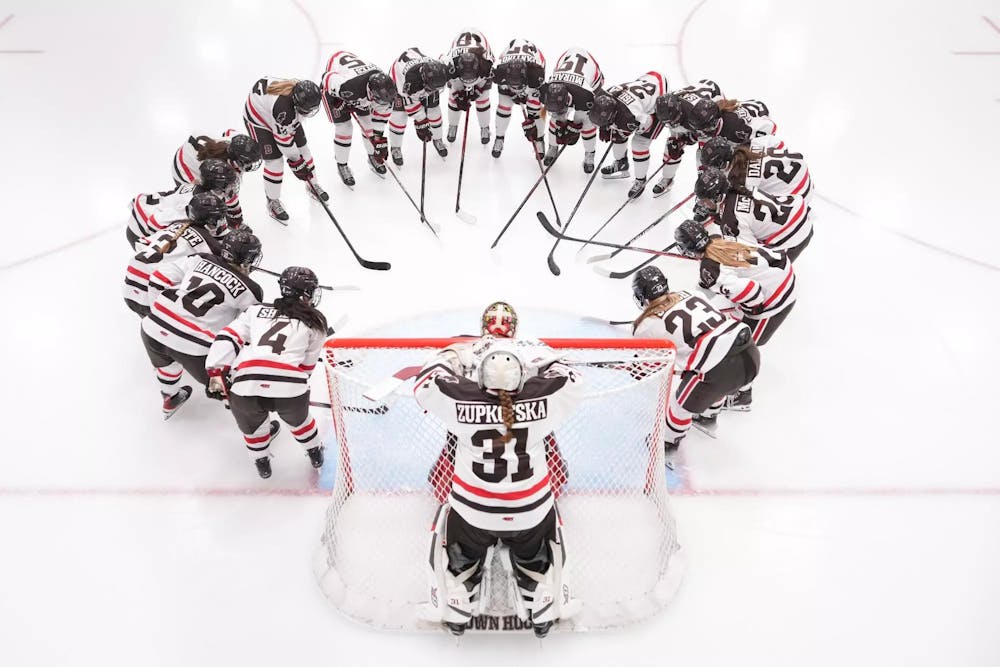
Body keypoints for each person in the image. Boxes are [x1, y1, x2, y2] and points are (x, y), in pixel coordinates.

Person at [415, 338, 584, 638]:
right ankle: (537, 593)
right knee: (536, 541)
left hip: (473, 514)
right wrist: (540, 358)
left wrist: (452, 355)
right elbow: (572, 378)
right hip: (530, 512)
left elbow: (425, 382)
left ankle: (461, 593)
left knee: (460, 540)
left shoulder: (461, 398)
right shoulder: (542, 397)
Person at [426, 303, 570, 504]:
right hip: (525, 416)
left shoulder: (465, 348)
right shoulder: (532, 347)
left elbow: (436, 375)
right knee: (540, 434)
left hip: (472, 416)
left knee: (458, 438)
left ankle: (450, 490)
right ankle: (547, 488)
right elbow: (561, 376)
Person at [205, 266, 327, 479]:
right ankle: (314, 452)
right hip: (290, 389)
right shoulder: (315, 322)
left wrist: (217, 373)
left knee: (253, 429)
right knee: (301, 422)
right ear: (306, 294)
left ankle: (262, 463)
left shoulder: (254, 311)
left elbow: (227, 337)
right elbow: (306, 368)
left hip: (245, 387)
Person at [139, 229, 264, 419]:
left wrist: (160, 313)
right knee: (228, 386)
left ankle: (170, 397)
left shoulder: (200, 258)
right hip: (193, 348)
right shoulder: (252, 290)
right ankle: (256, 427)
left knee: (166, 364)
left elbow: (159, 278)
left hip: (151, 329)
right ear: (247, 260)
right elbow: (245, 332)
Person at [673, 219, 798, 409]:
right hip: (782, 274)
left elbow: (753, 293)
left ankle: (743, 395)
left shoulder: (712, 270)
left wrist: (748, 309)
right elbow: (717, 279)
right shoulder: (718, 239)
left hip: (777, 297)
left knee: (739, 347)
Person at [631, 266, 760, 449]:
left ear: (641, 296)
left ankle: (667, 446)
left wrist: (635, 368)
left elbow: (649, 370)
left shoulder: (645, 327)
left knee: (680, 404)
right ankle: (708, 417)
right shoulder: (690, 293)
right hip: (750, 354)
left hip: (719, 371)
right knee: (705, 368)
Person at [123, 192, 229, 317]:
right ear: (210, 221)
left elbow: (140, 244)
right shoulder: (209, 245)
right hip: (152, 289)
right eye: (220, 217)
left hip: (129, 285)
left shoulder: (176, 225)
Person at [243, 77, 326, 223]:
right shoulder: (283, 108)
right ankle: (272, 201)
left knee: (304, 149)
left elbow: (295, 143)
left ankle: (313, 184)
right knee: (275, 161)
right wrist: (296, 162)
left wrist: (300, 162)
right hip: (258, 119)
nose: (309, 112)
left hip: (276, 111)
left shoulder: (298, 94)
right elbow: (284, 143)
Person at [694, 166, 812, 261]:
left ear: (718, 197)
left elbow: (749, 254)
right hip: (797, 210)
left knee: (749, 268)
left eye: (705, 201)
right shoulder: (740, 185)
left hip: (794, 236)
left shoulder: (730, 221)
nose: (704, 205)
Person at [320, 50, 397, 185]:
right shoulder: (347, 86)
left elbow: (379, 121)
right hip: (336, 85)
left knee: (368, 125)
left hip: (358, 90)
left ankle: (372, 156)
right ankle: (342, 165)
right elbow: (326, 77)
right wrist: (338, 98)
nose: (382, 105)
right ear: (372, 92)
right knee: (345, 128)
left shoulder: (386, 89)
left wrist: (377, 142)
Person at [589, 71, 668, 199]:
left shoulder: (632, 114)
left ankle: (640, 181)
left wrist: (626, 128)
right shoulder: (604, 96)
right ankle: (621, 163)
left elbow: (647, 123)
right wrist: (608, 126)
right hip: (646, 79)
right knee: (616, 132)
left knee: (639, 144)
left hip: (658, 98)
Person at [126, 159, 238, 248]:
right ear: (217, 186)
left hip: (146, 210)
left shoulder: (197, 190)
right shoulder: (193, 203)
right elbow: (154, 222)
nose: (232, 187)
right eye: (228, 184)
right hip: (141, 230)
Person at [649, 79, 723, 197]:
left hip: (711, 101)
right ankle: (667, 179)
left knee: (705, 155)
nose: (672, 124)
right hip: (691, 106)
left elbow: (704, 135)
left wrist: (688, 139)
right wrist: (676, 141)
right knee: (671, 148)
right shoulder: (669, 108)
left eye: (673, 120)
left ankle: (706, 186)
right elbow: (675, 129)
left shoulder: (698, 113)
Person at [170, 131, 261, 228]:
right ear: (235, 160)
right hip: (184, 167)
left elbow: (228, 132)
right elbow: (230, 195)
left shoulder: (232, 141)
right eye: (247, 163)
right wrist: (237, 221)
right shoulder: (219, 168)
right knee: (204, 203)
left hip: (190, 152)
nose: (251, 165)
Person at [539, 47, 605, 172]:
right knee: (555, 119)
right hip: (566, 62)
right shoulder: (547, 89)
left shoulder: (585, 96)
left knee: (586, 123)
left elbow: (585, 118)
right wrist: (560, 122)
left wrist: (575, 126)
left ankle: (589, 154)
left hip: (590, 78)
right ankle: (553, 147)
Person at [699, 135, 812, 204]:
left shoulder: (738, 181)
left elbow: (752, 207)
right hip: (801, 168)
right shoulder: (748, 146)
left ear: (722, 164)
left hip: (800, 195)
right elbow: (778, 143)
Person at [386, 48, 449, 164]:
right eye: (431, 89)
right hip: (399, 81)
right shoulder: (410, 82)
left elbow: (447, 59)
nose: (432, 91)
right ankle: (395, 147)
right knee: (399, 116)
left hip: (423, 75)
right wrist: (421, 122)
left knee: (434, 110)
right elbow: (410, 105)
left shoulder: (441, 70)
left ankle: (438, 138)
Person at [491, 38, 546, 159]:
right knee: (503, 106)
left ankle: (540, 138)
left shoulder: (536, 75)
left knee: (535, 110)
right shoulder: (499, 73)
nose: (516, 88)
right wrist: (513, 94)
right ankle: (499, 137)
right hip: (512, 71)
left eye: (518, 86)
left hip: (532, 73)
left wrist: (533, 123)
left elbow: (537, 96)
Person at [443, 29, 495, 146]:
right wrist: (458, 96)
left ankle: (484, 127)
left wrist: (477, 91)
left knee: (483, 99)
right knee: (453, 98)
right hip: (458, 74)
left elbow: (486, 80)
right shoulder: (451, 65)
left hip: (479, 74)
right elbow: (453, 82)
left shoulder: (486, 64)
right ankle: (453, 124)